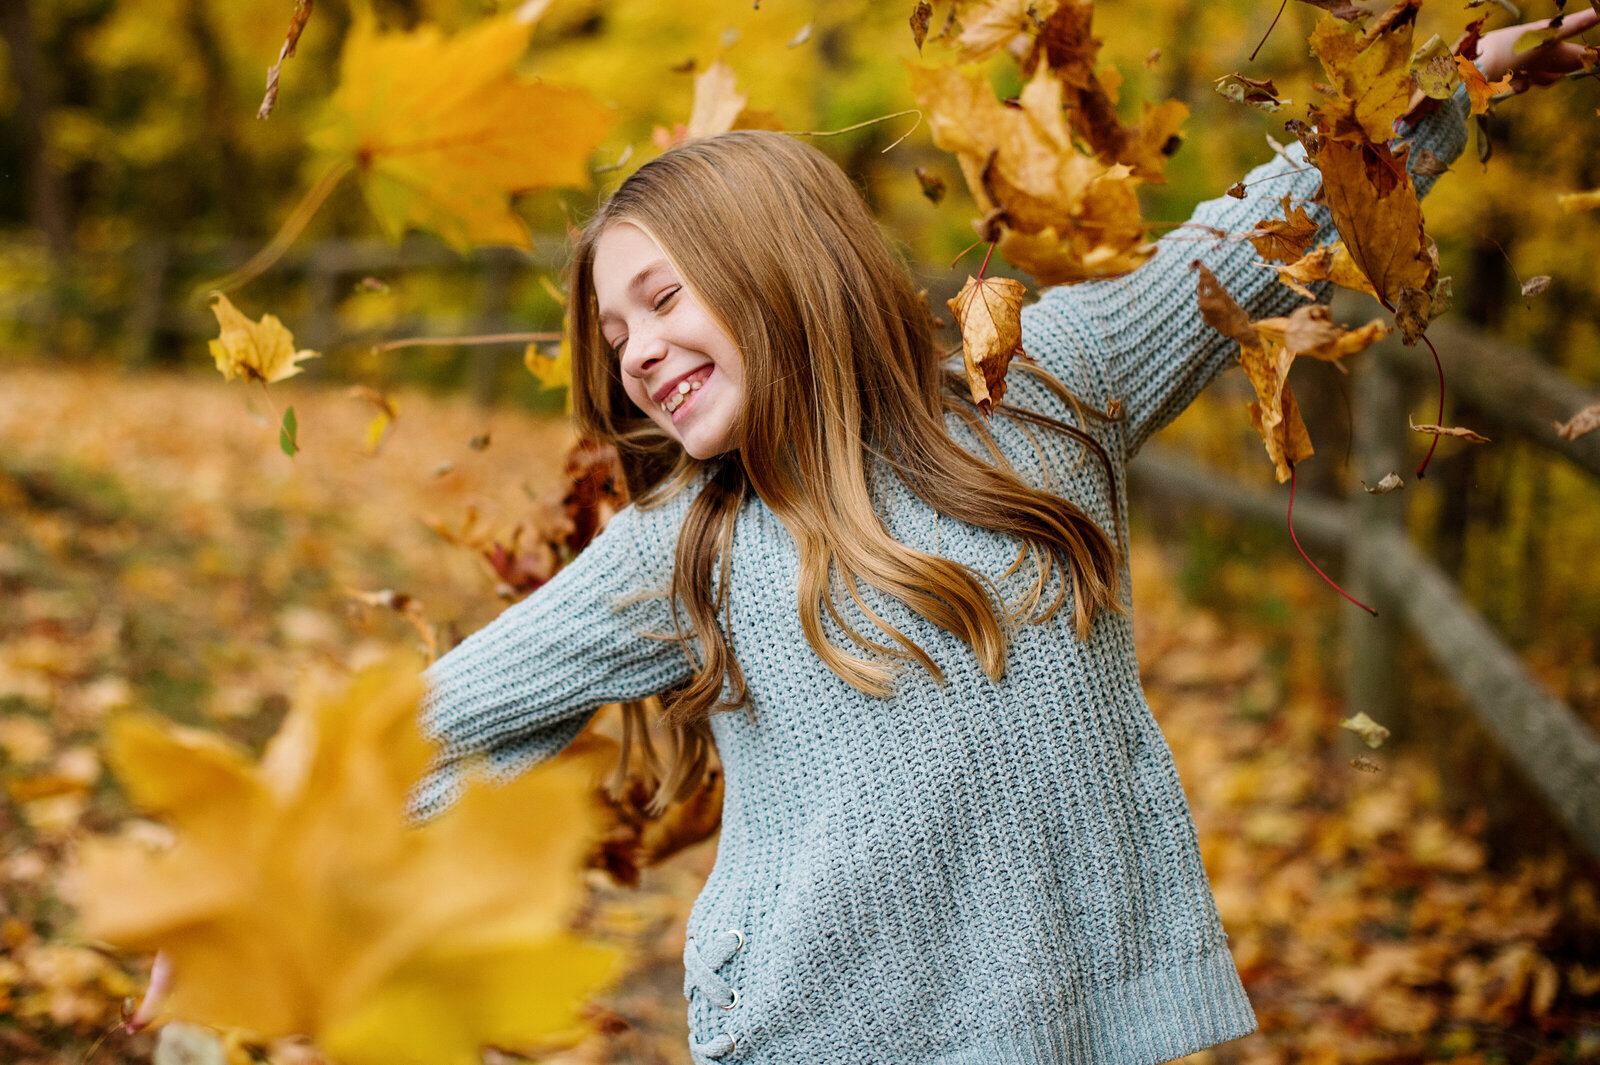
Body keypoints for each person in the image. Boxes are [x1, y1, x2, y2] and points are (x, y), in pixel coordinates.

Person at [411, 13, 1594, 1065]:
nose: (638, 354)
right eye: (616, 335)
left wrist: (1449, 91)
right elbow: (422, 732)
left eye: (664, 301)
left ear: (781, 266)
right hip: (812, 1034)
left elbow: (1259, 232)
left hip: (1078, 1017)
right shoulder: (679, 552)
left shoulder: (1045, 384)